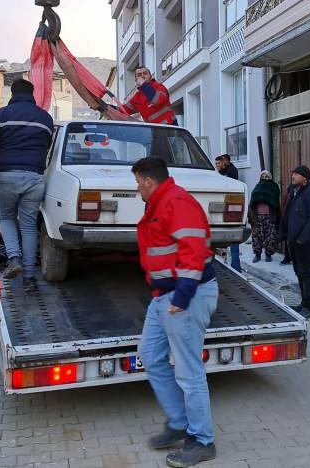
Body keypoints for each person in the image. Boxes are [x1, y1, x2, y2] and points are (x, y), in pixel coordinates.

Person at [133, 157, 218, 468]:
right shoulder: (159, 203)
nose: (137, 189)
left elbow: (193, 250)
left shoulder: (176, 202)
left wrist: (181, 296)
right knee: (151, 355)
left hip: (185, 295)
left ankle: (203, 440)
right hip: (163, 295)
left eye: (137, 183)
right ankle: (180, 423)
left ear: (147, 180)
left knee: (188, 370)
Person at [0, 78, 54, 287]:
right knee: (28, 226)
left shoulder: (1, 115)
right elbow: (46, 148)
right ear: (32, 93)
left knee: (7, 218)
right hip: (34, 177)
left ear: (12, 94)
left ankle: (14, 257)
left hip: (7, 175)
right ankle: (29, 276)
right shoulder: (45, 118)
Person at [279, 165, 310, 319]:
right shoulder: (294, 192)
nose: (293, 176)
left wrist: (303, 238)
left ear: (305, 178)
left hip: (304, 241)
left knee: (305, 273)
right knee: (298, 271)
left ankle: (309, 306)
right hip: (293, 240)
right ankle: (303, 303)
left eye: (296, 174)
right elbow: (287, 214)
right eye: (293, 174)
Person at [213, 154, 241, 272]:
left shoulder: (231, 171)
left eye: (218, 163)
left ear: (224, 162)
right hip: (220, 206)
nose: (217, 166)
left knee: (233, 239)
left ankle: (236, 267)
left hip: (229, 207)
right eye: (216, 164)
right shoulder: (219, 173)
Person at [248, 171, 280, 263]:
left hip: (270, 215)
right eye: (263, 176)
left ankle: (268, 254)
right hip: (257, 216)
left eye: (267, 176)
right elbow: (253, 200)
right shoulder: (257, 187)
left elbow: (275, 201)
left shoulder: (274, 187)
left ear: (270, 177)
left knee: (270, 236)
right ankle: (257, 254)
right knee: (257, 235)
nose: (265, 177)